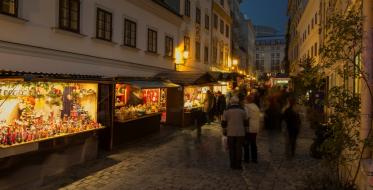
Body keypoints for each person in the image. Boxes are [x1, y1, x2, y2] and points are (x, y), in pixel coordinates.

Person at [221, 96, 249, 170]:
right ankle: (238, 165)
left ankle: (232, 164)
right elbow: (246, 123)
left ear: (231, 102)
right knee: (239, 149)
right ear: (238, 102)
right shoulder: (242, 110)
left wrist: (224, 132)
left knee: (232, 149)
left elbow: (223, 123)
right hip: (240, 132)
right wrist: (246, 132)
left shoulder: (226, 111)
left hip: (230, 132)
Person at [244, 94, 261, 163]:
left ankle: (247, 158)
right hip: (255, 128)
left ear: (247, 100)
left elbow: (246, 117)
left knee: (246, 143)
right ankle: (254, 158)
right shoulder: (256, 107)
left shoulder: (246, 107)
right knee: (253, 143)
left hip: (248, 128)